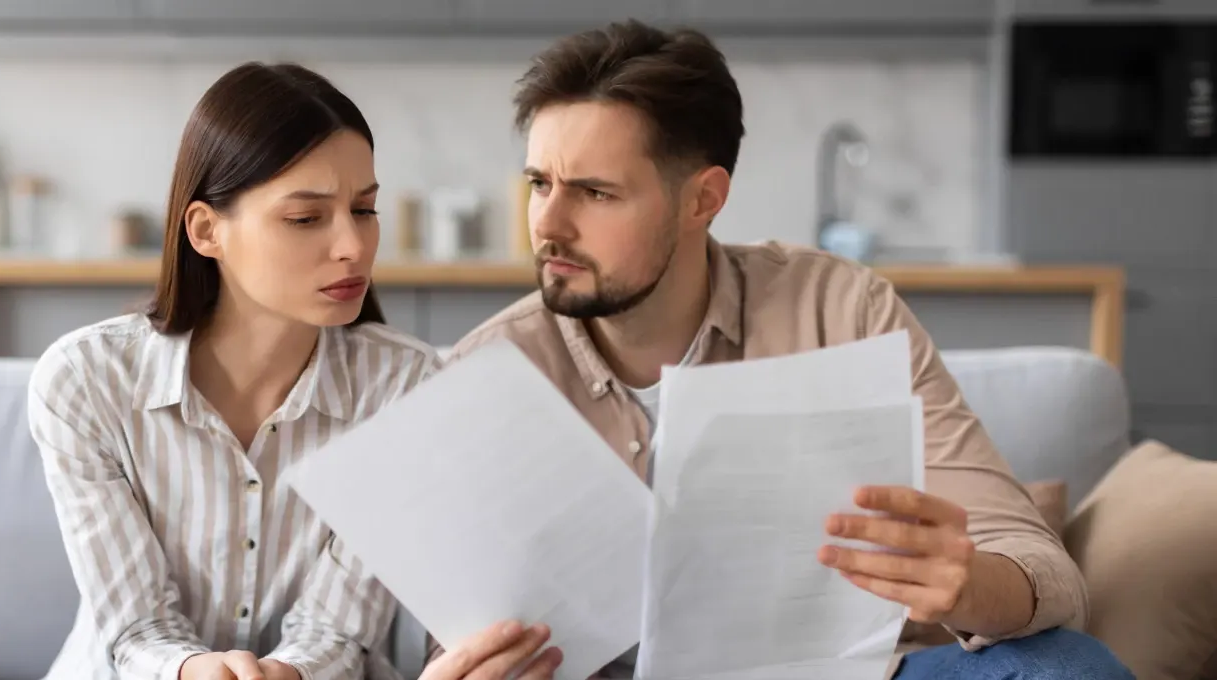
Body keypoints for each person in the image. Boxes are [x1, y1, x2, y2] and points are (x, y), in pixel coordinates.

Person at [431, 19, 1136, 680]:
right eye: (539, 185)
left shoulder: (841, 309)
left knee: (1065, 664)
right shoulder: (488, 372)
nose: (548, 225)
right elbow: (454, 631)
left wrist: (969, 585)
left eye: (593, 192)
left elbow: (1044, 571)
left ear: (701, 200)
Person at [27, 62, 466, 680]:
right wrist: (190, 670)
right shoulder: (85, 382)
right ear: (207, 230)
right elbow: (135, 629)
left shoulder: (407, 388)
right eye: (305, 218)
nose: (353, 246)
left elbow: (338, 631)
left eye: (364, 210)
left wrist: (288, 672)